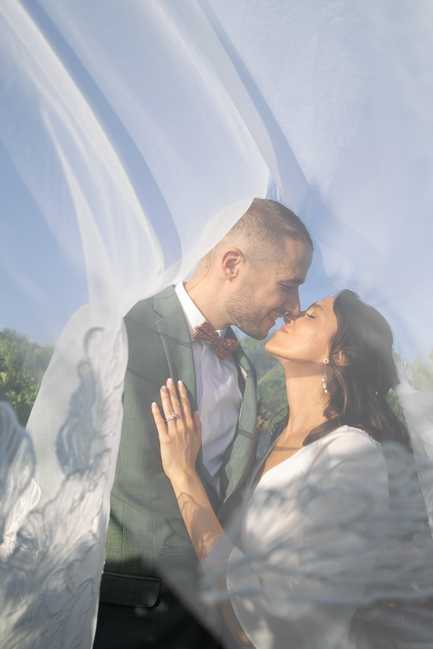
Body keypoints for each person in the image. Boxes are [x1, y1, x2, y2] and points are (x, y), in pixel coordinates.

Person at [93, 198, 313, 648]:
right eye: (288, 285)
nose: (295, 305)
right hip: (125, 614)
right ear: (232, 263)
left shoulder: (246, 371)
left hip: (216, 619)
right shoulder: (120, 326)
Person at [151, 289, 415, 649]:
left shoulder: (351, 456)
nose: (291, 314)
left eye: (311, 315)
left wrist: (183, 476)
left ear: (340, 354)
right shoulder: (272, 442)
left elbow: (280, 628)